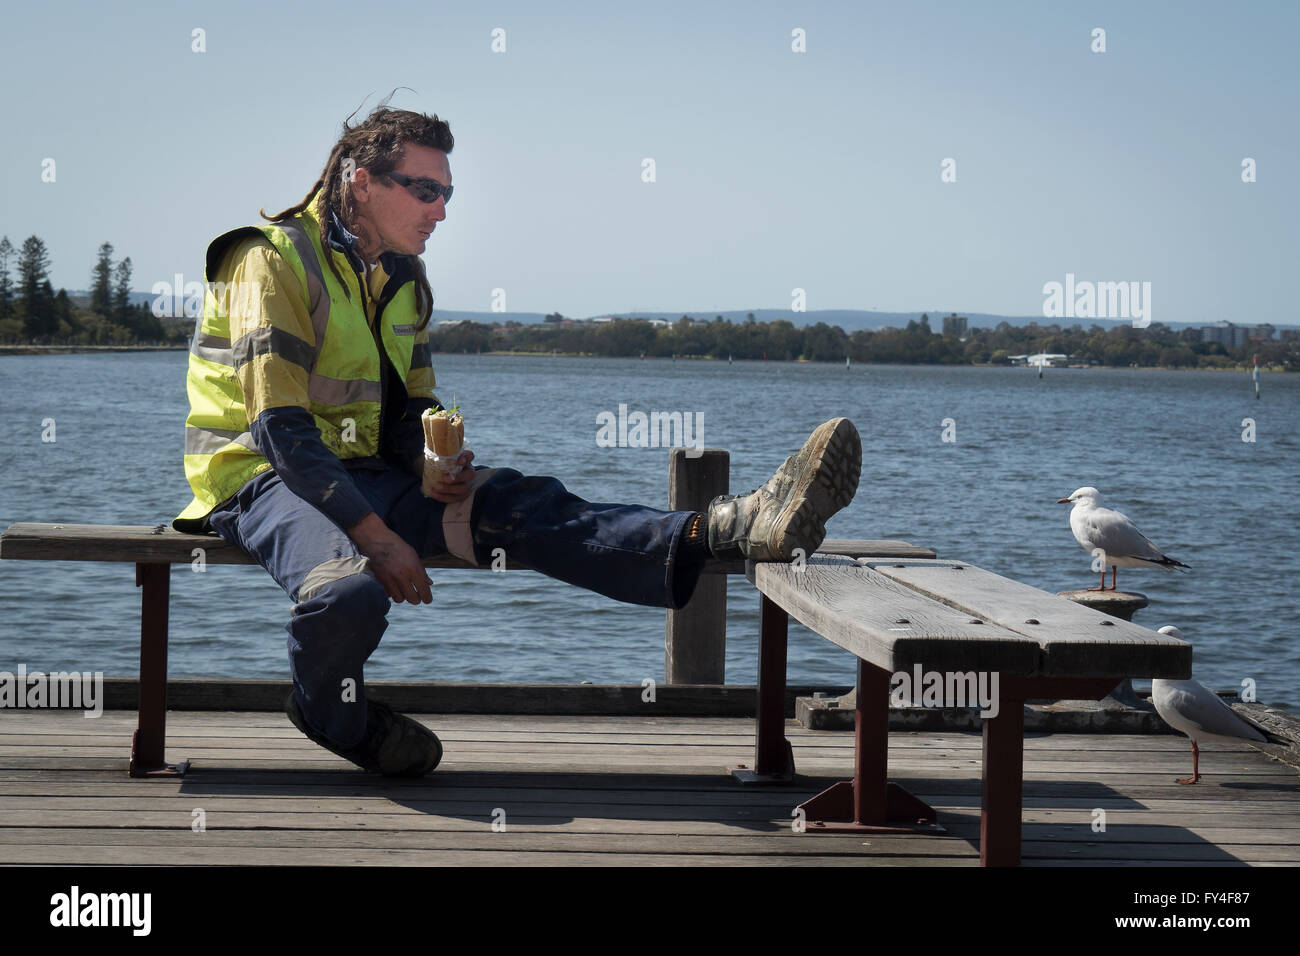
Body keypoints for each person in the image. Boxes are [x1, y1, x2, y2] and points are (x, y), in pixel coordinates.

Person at [174, 105, 862, 777]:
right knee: (348, 593)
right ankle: (333, 715)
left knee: (525, 507)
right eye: (425, 190)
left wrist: (428, 461)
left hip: (367, 474)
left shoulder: (402, 278)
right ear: (361, 182)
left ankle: (733, 525)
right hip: (261, 478)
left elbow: (405, 407)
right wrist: (377, 535)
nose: (441, 209)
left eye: (447, 193)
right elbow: (279, 426)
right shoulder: (271, 260)